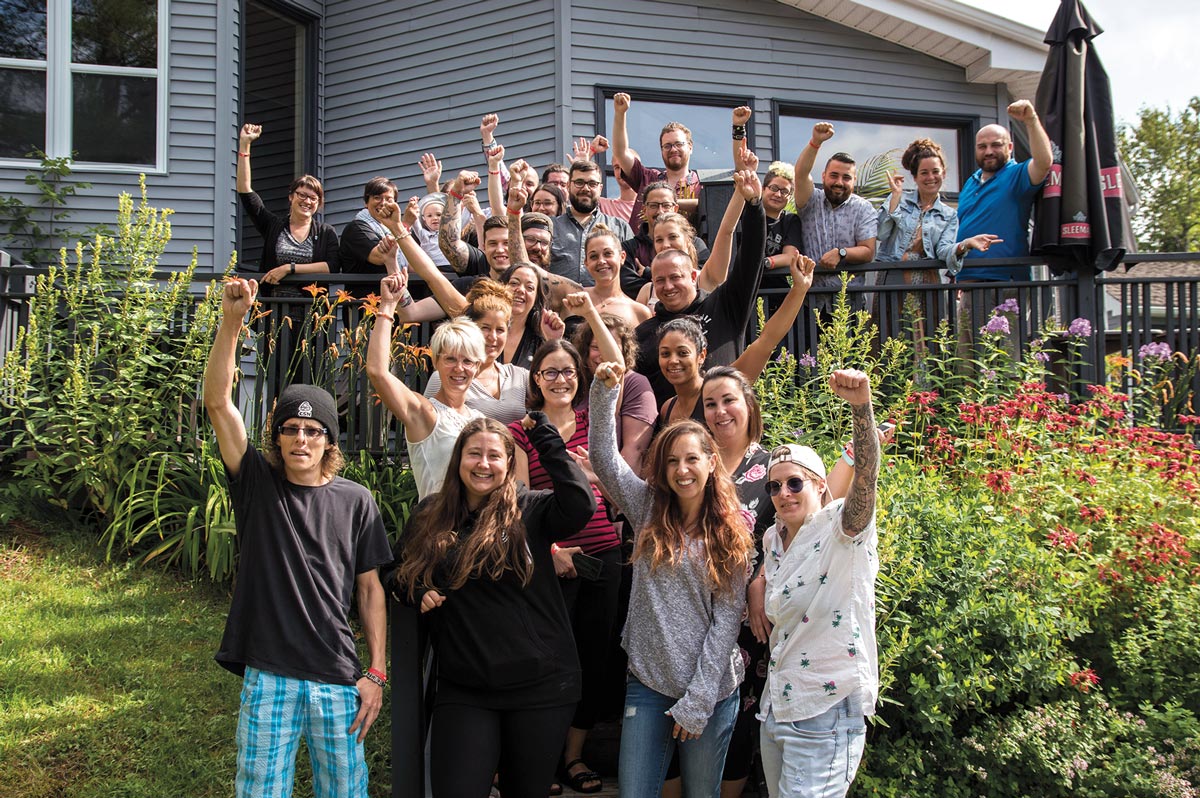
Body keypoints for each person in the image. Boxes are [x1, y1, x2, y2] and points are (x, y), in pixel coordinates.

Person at [204, 277, 391, 798]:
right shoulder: (257, 485)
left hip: (337, 674)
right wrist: (231, 321)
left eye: (313, 431)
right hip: (270, 674)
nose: (301, 439)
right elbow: (219, 403)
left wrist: (375, 672)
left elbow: (371, 589)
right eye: (290, 429)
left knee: (345, 792)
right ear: (277, 436)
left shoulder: (357, 501)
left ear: (328, 440)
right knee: (260, 790)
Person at [391, 415, 596, 798]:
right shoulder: (430, 515)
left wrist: (544, 438)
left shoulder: (531, 510)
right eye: (474, 454)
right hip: (465, 687)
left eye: (494, 456)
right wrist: (417, 591)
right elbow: (395, 572)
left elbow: (580, 504)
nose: (484, 464)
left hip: (541, 687)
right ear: (458, 460)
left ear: (507, 463)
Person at [587, 361, 755, 797]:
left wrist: (698, 701)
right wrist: (605, 392)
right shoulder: (645, 509)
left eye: (692, 460)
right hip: (647, 682)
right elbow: (604, 460)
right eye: (673, 461)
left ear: (711, 462)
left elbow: (726, 623)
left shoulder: (732, 531)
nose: (683, 470)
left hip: (712, 693)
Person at [753, 369, 881, 798]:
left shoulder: (840, 528)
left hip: (825, 711)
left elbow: (866, 476)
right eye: (774, 486)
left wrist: (860, 410)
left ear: (821, 485)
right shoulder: (773, 539)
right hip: (778, 708)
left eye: (795, 482)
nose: (784, 493)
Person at [509, 335, 622, 795]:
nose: (560, 379)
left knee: (594, 659)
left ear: (581, 378)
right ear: (536, 379)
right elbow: (514, 501)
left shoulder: (597, 423)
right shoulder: (523, 430)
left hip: (604, 555)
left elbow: (619, 489)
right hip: (550, 559)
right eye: (550, 371)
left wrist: (596, 473)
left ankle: (573, 757)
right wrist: (551, 553)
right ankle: (545, 757)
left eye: (569, 371)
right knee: (550, 659)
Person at [633, 169, 767, 406]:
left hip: (727, 424)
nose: (668, 286)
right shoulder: (643, 334)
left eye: (676, 277)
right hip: (671, 435)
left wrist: (754, 206)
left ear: (693, 275)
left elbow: (750, 259)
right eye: (660, 281)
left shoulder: (724, 306)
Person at [657, 253, 814, 427]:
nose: (673, 360)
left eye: (683, 352)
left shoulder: (723, 386)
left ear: (701, 355)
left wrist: (799, 290)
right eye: (665, 354)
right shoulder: (667, 409)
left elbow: (766, 341)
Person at [367, 276, 486, 500]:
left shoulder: (479, 419)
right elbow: (378, 372)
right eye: (450, 359)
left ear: (477, 367)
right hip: (436, 530)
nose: (459, 369)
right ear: (436, 361)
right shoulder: (424, 412)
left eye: (468, 361)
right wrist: (387, 306)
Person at [876, 138, 1000, 343]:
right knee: (890, 339)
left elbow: (943, 250)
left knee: (923, 340)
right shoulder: (899, 199)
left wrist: (965, 244)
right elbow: (880, 233)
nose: (930, 177)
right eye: (924, 173)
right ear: (915, 177)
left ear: (943, 173)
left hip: (926, 282)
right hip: (893, 278)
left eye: (935, 171)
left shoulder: (949, 215)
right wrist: (895, 198)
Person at [953, 100, 1054, 281]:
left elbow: (1044, 162)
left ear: (1010, 148)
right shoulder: (970, 182)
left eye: (996, 145)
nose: (989, 151)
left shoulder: (1017, 175)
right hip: (967, 280)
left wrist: (1031, 120)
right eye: (982, 146)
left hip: (1006, 281)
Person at [236, 123, 339, 294]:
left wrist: (289, 268)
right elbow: (245, 191)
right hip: (273, 310)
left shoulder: (326, 232)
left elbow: (333, 266)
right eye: (302, 195)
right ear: (291, 196)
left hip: (310, 312)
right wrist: (245, 145)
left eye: (313, 198)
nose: (307, 201)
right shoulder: (273, 225)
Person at [792, 123, 879, 315]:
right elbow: (800, 174)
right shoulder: (810, 200)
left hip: (849, 304)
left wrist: (841, 253)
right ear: (823, 176)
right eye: (834, 175)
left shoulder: (864, 209)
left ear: (854, 182)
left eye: (846, 177)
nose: (839, 182)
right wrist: (815, 142)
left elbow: (868, 251)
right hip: (810, 303)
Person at [423, 279, 531, 425]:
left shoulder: (520, 376)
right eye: (485, 328)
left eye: (500, 330)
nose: (492, 337)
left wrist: (553, 339)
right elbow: (430, 428)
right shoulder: (447, 375)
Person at [570, 297, 657, 475]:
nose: (602, 354)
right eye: (595, 347)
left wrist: (612, 494)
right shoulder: (575, 381)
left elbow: (634, 452)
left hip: (608, 485)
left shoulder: (636, 384)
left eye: (611, 346)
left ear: (624, 350)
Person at [611, 92, 703, 225]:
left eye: (678, 144)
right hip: (644, 245)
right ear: (661, 150)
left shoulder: (701, 185)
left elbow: (710, 206)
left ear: (690, 147)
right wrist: (620, 113)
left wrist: (666, 202)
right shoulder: (647, 178)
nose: (673, 149)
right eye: (667, 146)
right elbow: (621, 152)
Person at [550, 159, 634, 286]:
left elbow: (631, 273)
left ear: (600, 188)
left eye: (592, 183)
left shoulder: (620, 227)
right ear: (568, 186)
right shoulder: (551, 227)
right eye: (579, 182)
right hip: (558, 303)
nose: (585, 188)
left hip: (606, 304)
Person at [577, 226, 652, 328]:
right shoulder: (576, 300)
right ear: (586, 263)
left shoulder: (639, 312)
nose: (601, 261)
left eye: (608, 254)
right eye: (593, 256)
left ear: (622, 257)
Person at [339, 176, 402, 274]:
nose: (383, 203)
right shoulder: (356, 228)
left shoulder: (393, 228)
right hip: (369, 289)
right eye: (377, 198)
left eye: (389, 199)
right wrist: (405, 224)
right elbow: (381, 257)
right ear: (366, 202)